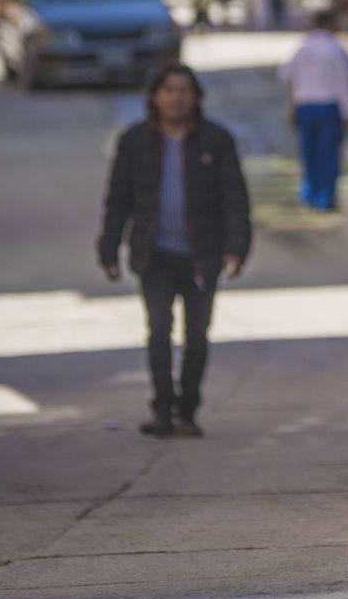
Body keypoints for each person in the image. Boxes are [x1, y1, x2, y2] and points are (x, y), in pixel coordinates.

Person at [97, 64, 252, 438]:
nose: (176, 96)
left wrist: (236, 247)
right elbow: (117, 199)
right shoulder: (134, 140)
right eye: (168, 89)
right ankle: (162, 409)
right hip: (155, 255)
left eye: (184, 89)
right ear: (154, 96)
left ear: (196, 96)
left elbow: (235, 198)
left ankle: (188, 409)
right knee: (159, 330)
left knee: (197, 335)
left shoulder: (216, 140)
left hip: (203, 254)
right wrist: (108, 248)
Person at [278, 9, 348, 210]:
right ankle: (325, 196)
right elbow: (343, 84)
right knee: (328, 153)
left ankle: (309, 191)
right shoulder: (335, 49)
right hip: (329, 106)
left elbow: (284, 74)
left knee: (308, 150)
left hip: (305, 105)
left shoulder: (303, 47)